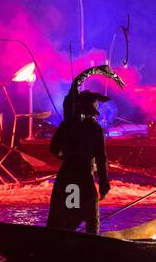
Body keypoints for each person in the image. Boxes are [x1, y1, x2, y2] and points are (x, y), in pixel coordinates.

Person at [47, 64, 123, 235]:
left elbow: (53, 149)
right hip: (83, 177)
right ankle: (90, 249)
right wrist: (104, 183)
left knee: (67, 216)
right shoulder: (94, 129)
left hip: (67, 176)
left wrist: (66, 157)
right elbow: (101, 158)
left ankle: (60, 244)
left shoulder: (66, 125)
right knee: (91, 217)